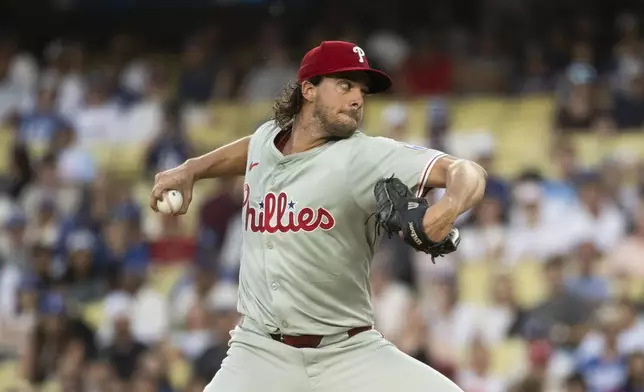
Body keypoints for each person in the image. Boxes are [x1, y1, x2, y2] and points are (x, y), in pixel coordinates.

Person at [150, 40, 486, 392]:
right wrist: (192, 169)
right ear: (308, 89)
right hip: (259, 352)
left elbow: (465, 171)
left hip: (347, 351)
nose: (357, 98)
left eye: (361, 90)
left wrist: (447, 209)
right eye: (344, 85)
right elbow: (253, 147)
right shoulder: (268, 140)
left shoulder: (365, 157)